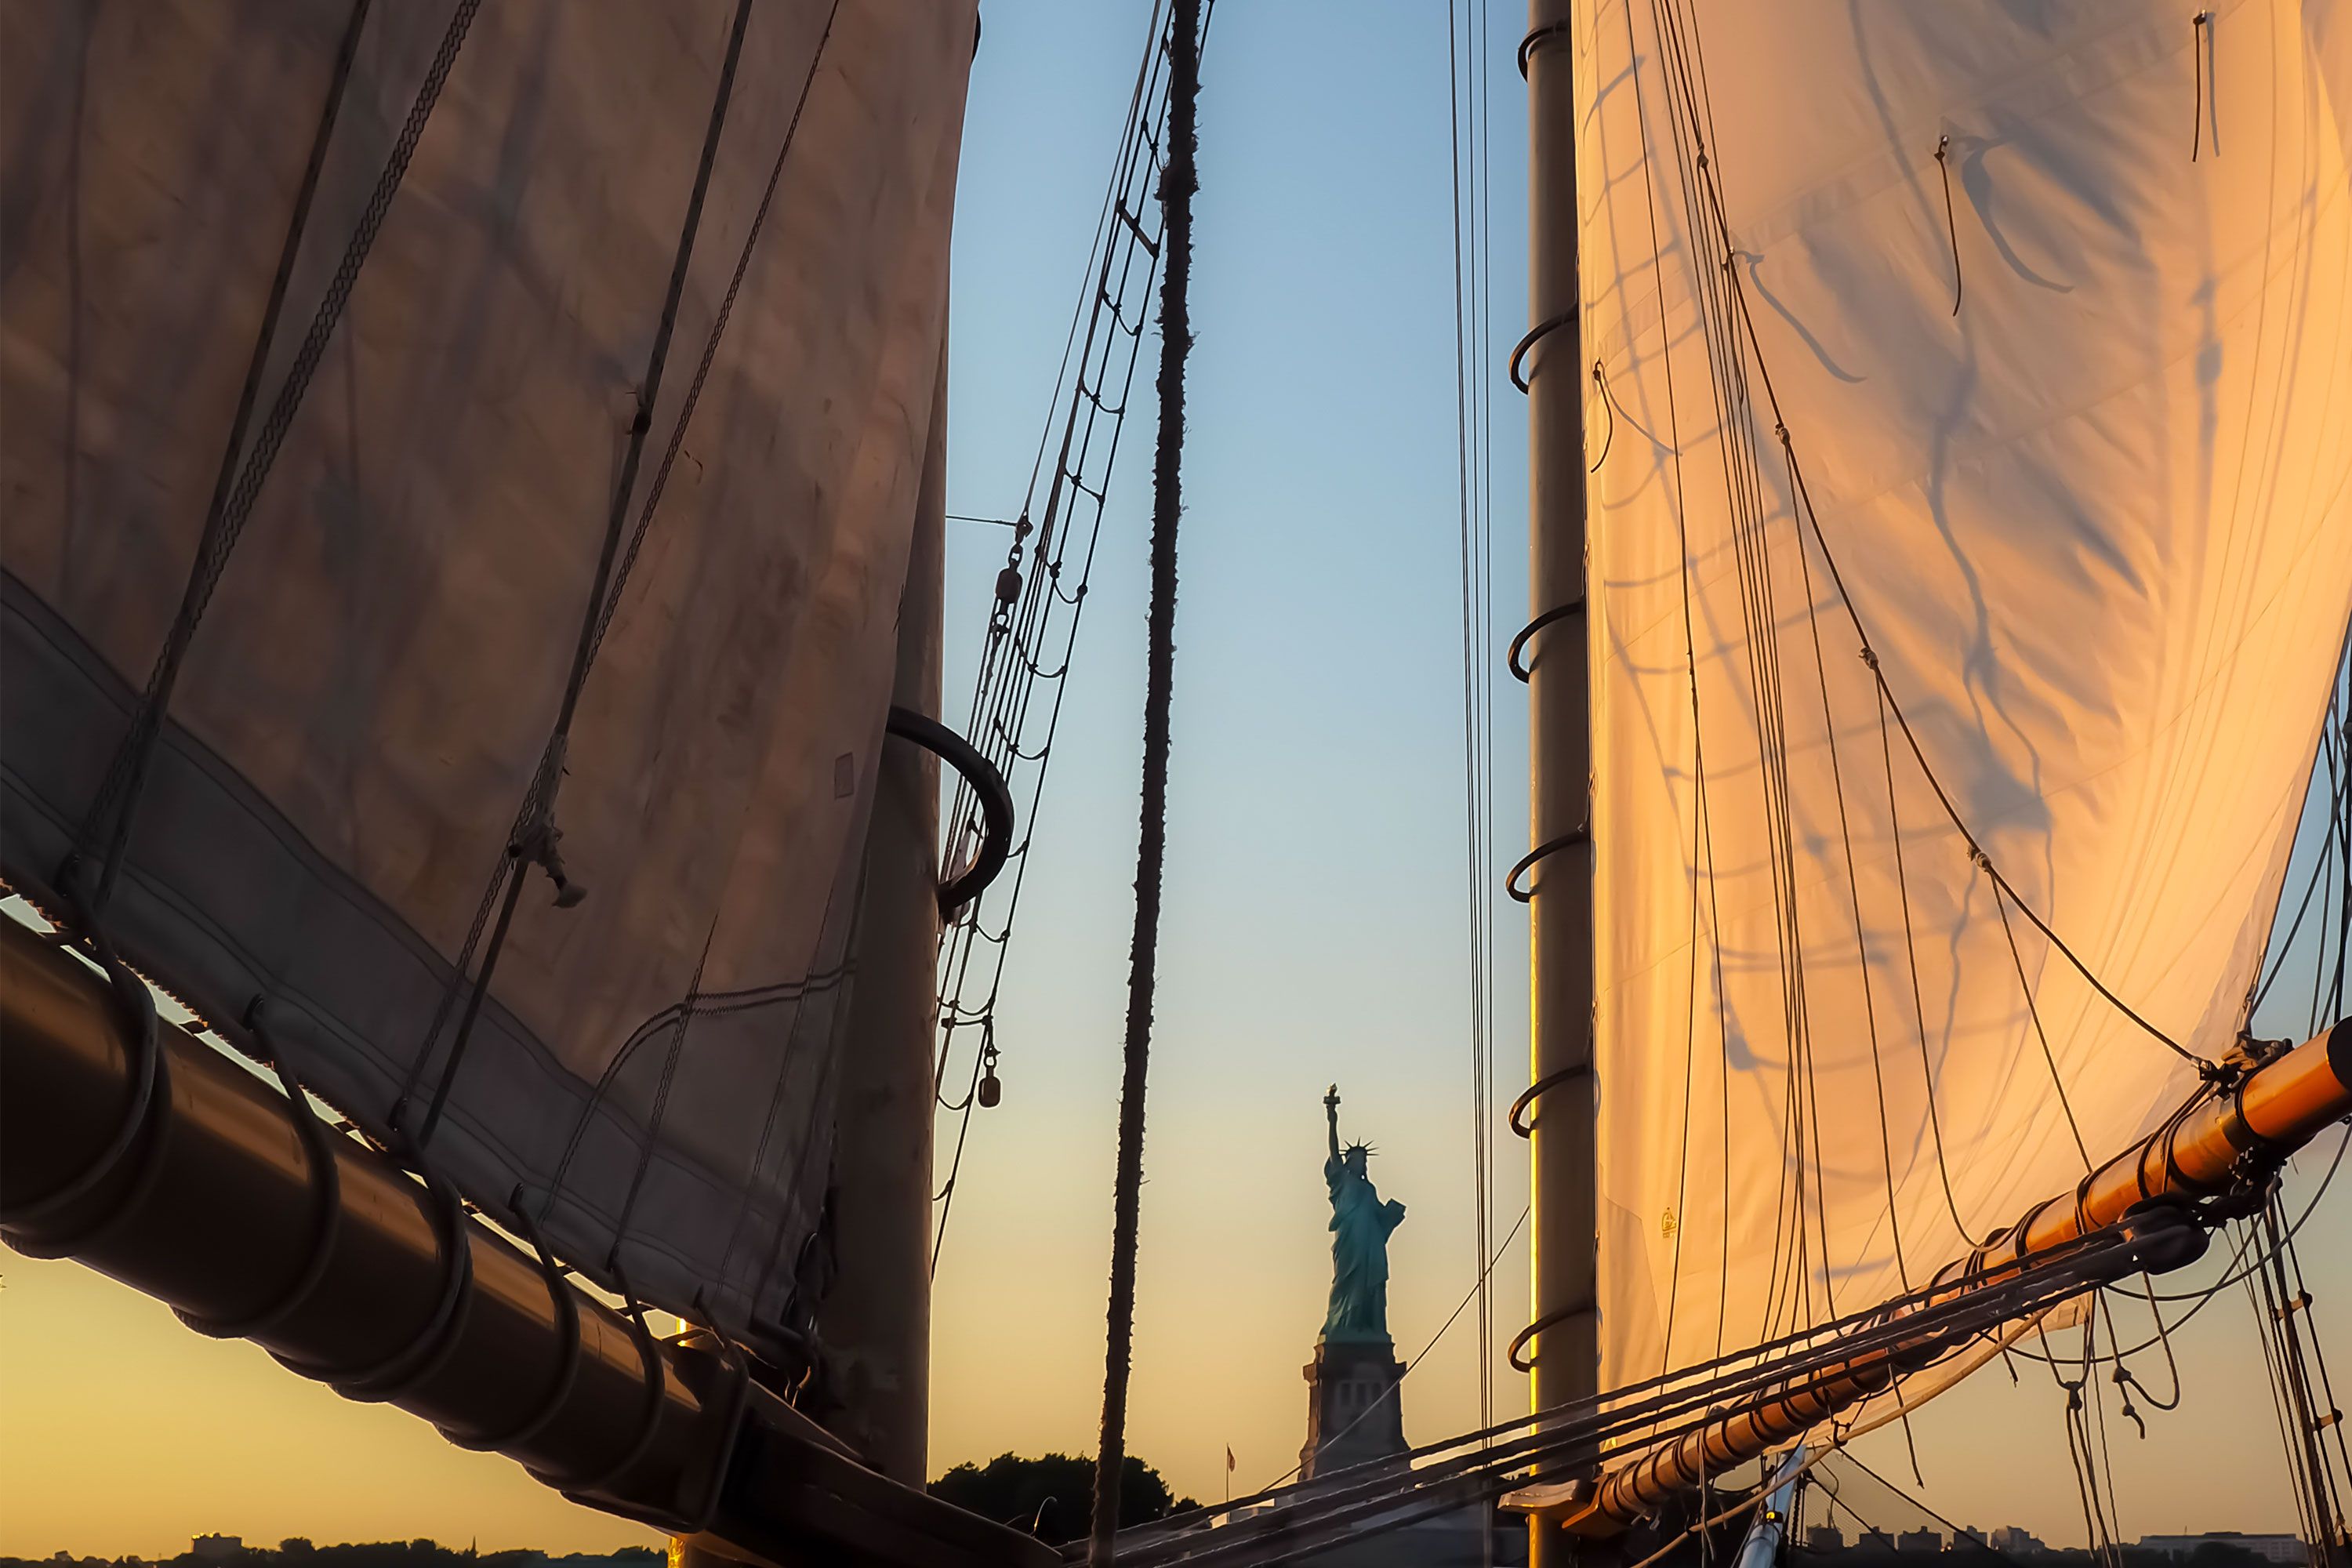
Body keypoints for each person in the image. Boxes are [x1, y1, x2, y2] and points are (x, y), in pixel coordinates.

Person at [1320, 1085, 1406, 1343]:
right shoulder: (1342, 1182)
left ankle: (1369, 1326)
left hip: (1371, 1247)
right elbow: (1334, 1151)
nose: (1362, 1164)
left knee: (1372, 1286)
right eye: (1357, 1160)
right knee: (1346, 1284)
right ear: (1349, 1163)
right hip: (1350, 1244)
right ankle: (1342, 1324)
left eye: (1364, 1161)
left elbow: (1380, 1216)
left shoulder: (1369, 1188)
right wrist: (1332, 1115)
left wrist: (1392, 1214)